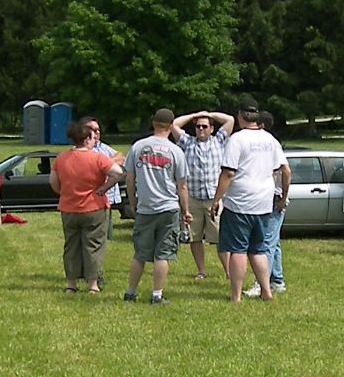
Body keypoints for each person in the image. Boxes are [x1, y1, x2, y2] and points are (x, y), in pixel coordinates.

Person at [212, 104, 289, 304]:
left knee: (238, 250)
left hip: (240, 202)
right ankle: (266, 291)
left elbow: (228, 172)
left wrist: (217, 198)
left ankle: (236, 296)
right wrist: (282, 197)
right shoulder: (270, 139)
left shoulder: (237, 139)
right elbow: (285, 170)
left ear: (240, 116)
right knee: (259, 249)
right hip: (264, 201)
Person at [122, 108, 192, 304]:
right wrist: (185, 210)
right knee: (163, 253)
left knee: (140, 254)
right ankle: (156, 295)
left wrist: (133, 203)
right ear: (171, 126)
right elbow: (182, 185)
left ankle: (130, 292)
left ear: (153, 123)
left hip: (145, 207)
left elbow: (129, 178)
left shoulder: (138, 147)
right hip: (169, 207)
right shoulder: (176, 151)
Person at [48, 115, 121, 294]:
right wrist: (104, 188)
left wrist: (64, 193)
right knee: (93, 245)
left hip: (69, 208)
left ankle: (71, 284)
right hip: (94, 207)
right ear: (87, 139)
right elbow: (118, 172)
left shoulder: (61, 158)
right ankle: (92, 284)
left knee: (71, 245)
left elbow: (53, 182)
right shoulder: (97, 158)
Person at [170, 108, 235, 282]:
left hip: (214, 198)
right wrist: (194, 115)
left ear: (212, 128)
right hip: (192, 197)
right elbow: (174, 124)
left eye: (205, 126)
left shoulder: (219, 141)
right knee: (195, 237)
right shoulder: (187, 142)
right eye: (198, 126)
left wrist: (209, 114)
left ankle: (229, 272)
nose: (201, 129)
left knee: (221, 237)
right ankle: (201, 270)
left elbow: (229, 120)